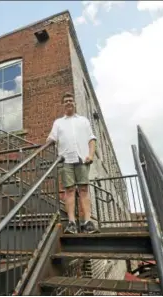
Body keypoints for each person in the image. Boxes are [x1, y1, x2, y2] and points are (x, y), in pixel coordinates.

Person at [46, 92, 97, 234]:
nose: (69, 102)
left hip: (82, 158)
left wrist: (91, 155)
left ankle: (87, 222)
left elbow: (91, 139)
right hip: (66, 160)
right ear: (63, 105)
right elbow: (51, 139)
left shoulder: (83, 121)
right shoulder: (58, 123)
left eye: (71, 100)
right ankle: (72, 223)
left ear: (74, 103)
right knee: (69, 190)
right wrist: (49, 141)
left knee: (84, 189)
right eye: (66, 101)